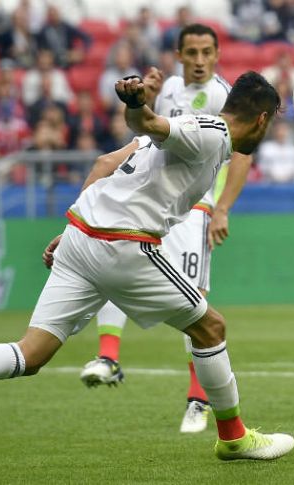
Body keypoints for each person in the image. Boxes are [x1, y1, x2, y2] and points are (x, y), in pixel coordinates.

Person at [0, 71, 294, 462]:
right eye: (271, 124)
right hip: (123, 245)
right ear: (261, 119)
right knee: (211, 328)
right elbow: (149, 123)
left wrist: (72, 228)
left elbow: (104, 163)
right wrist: (137, 106)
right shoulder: (210, 133)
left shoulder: (195, 129)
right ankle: (234, 438)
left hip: (83, 235)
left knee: (31, 353)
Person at [74, 23, 254, 435]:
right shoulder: (170, 87)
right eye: (191, 52)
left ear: (217, 53)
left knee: (195, 300)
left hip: (196, 208)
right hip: (153, 201)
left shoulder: (226, 97)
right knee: (119, 265)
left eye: (206, 52)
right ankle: (108, 357)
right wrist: (147, 100)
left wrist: (223, 208)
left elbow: (240, 155)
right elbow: (146, 137)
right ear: (179, 54)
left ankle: (197, 400)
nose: (199, 60)